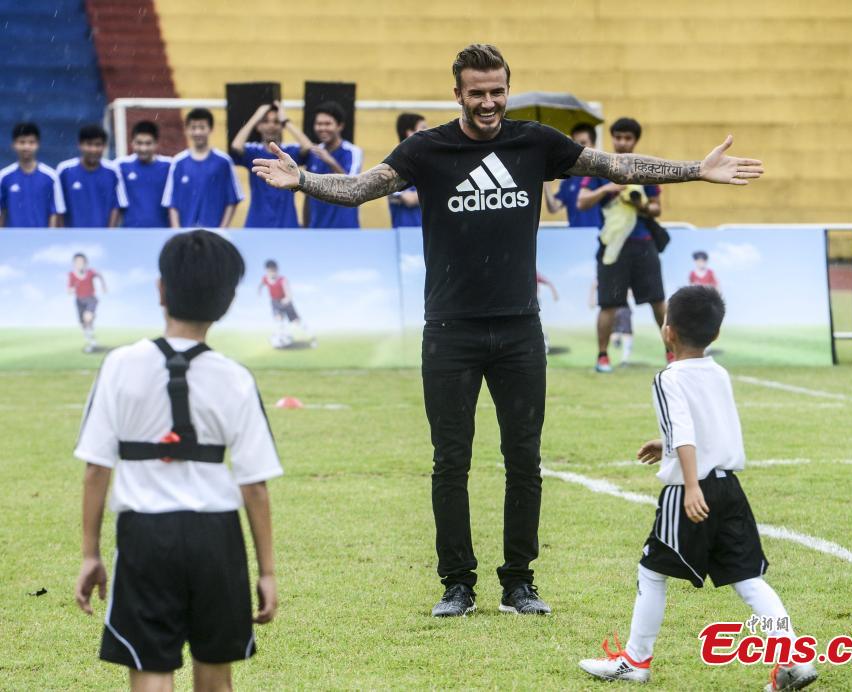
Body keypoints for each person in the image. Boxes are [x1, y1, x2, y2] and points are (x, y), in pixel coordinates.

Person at [252, 43, 763, 618]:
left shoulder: (534, 143)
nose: (489, 102)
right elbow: (361, 188)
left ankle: (520, 582)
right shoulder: (427, 149)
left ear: (507, 90)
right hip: (450, 332)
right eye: (477, 93)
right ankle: (457, 584)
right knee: (450, 461)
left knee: (524, 460)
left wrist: (695, 169)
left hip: (520, 330)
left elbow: (615, 168)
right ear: (457, 94)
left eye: (498, 91)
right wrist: (303, 180)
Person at [578, 286, 817, 692]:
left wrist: (690, 484)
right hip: (730, 488)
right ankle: (794, 656)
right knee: (748, 578)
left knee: (651, 572)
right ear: (716, 334)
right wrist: (667, 445)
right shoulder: (719, 372)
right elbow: (707, 428)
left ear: (667, 331)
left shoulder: (667, 378)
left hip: (691, 490)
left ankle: (635, 661)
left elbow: (686, 432)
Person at [73, 229, 281, 691]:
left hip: (145, 535)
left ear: (160, 290)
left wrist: (90, 553)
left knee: (150, 675)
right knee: (215, 679)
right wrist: (267, 572)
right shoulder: (236, 378)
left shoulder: (119, 364)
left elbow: (96, 468)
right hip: (217, 537)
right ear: (227, 303)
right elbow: (255, 486)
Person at [579, 118, 667, 373]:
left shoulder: (646, 168)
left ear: (635, 140)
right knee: (608, 303)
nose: (622, 143)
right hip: (611, 246)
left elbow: (657, 209)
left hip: (643, 244)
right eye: (618, 137)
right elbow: (582, 201)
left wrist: (640, 204)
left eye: (627, 138)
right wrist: (607, 188)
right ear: (612, 138)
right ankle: (602, 357)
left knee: (657, 300)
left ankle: (672, 353)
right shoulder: (600, 167)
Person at [231, 101, 338, 228]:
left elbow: (308, 146)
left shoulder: (289, 152)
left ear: (281, 126)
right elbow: (236, 145)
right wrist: (256, 116)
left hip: (287, 222)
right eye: (265, 121)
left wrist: (286, 121)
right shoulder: (253, 151)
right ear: (258, 126)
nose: (271, 125)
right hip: (257, 221)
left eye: (276, 121)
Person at [163, 108, 243, 228]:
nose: (198, 132)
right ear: (187, 130)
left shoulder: (224, 162)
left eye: (202, 127)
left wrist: (222, 230)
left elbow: (232, 199)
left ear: (210, 128)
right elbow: (171, 202)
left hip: (214, 234)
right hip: (185, 233)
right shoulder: (178, 162)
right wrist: (177, 231)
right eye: (193, 128)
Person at [300, 101, 362, 228]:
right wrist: (305, 228)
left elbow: (352, 185)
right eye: (319, 124)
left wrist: (330, 161)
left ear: (340, 126)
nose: (322, 128)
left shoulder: (352, 151)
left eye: (328, 124)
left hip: (345, 229)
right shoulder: (313, 153)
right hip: (316, 229)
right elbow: (308, 196)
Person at [57, 125, 128, 228]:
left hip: (104, 236)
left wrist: (109, 234)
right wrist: (63, 234)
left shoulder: (113, 171)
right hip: (71, 236)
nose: (93, 149)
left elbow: (117, 206)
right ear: (79, 145)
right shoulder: (65, 170)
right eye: (89, 144)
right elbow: (58, 206)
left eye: (98, 145)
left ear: (104, 146)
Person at [0, 122, 65, 227]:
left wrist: (50, 235)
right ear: (13, 145)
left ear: (38, 144)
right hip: (12, 237)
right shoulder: (4, 176)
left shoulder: (51, 176)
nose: (26, 147)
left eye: (31, 142)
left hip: (42, 237)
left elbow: (54, 212)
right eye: (22, 142)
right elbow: (2, 211)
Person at [542, 123, 604, 227]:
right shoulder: (568, 179)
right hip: (575, 235)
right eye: (575, 144)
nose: (578, 148)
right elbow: (553, 207)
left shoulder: (602, 175)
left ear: (593, 145)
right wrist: (545, 176)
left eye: (583, 143)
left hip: (600, 234)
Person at [117, 121, 172, 228]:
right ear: (132, 143)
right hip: (130, 231)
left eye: (148, 143)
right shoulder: (120, 166)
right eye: (139, 143)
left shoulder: (170, 166)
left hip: (162, 231)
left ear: (156, 144)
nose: (143, 148)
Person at [258, 259, 316, 348]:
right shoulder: (265, 278)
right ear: (266, 271)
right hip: (275, 302)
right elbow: (261, 284)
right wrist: (259, 290)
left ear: (277, 270)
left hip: (286, 302)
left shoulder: (282, 280)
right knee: (278, 319)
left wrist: (287, 299)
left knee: (296, 322)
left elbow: (289, 293)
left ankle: (312, 337)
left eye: (273, 271)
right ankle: (281, 339)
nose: (271, 273)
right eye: (269, 271)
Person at [388, 113, 427, 228]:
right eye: (423, 128)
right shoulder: (391, 164)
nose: (428, 131)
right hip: (403, 232)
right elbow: (409, 199)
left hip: (427, 232)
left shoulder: (427, 161)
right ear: (410, 133)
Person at [68, 252, 106, 353]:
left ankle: (92, 342)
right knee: (83, 324)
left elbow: (99, 275)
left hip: (90, 299)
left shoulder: (90, 272)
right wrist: (71, 290)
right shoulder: (72, 275)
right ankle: (92, 341)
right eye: (77, 262)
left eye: (82, 262)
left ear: (86, 263)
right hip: (79, 301)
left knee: (87, 317)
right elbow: (69, 289)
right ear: (74, 264)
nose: (79, 264)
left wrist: (103, 286)